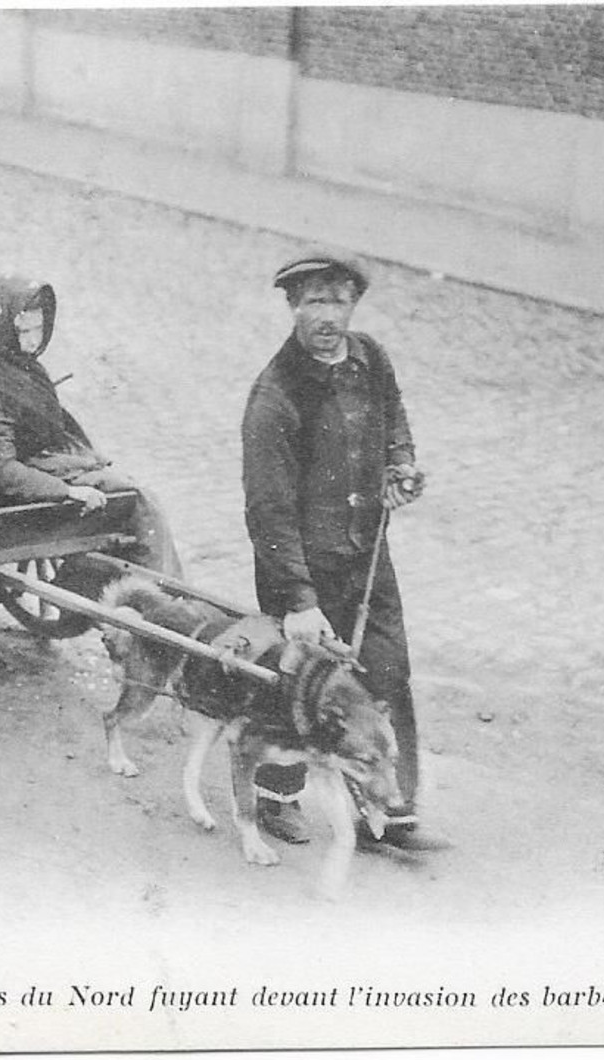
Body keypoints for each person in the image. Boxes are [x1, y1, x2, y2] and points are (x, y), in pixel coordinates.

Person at [240, 250, 431, 854]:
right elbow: (267, 509)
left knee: (388, 671)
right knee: (297, 687)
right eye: (314, 301)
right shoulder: (277, 395)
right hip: (302, 567)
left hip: (366, 550)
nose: (327, 314)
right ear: (293, 307)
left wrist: (399, 464)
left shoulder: (370, 360)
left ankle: (388, 807)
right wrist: (297, 600)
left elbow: (393, 417)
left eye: (338, 300)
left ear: (354, 304)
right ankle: (275, 795)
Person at [0, 274, 182, 574]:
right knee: (138, 502)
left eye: (39, 328)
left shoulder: (12, 361)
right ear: (2, 327)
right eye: (23, 331)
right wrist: (66, 491)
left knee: (134, 495)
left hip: (44, 463)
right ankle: (161, 600)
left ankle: (129, 590)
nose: (34, 340)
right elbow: (1, 470)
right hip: (26, 482)